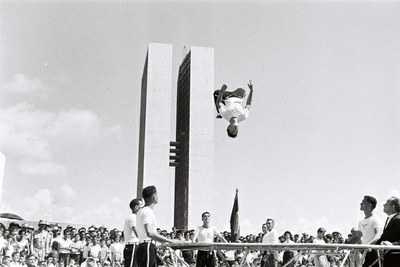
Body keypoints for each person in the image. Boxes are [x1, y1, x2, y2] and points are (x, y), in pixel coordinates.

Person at [136, 186, 177, 267]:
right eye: (157, 195)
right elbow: (149, 233)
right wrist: (170, 241)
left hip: (145, 246)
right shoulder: (148, 211)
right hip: (147, 247)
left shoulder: (141, 211)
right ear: (154, 197)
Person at [353, 195, 383, 267]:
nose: (360, 204)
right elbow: (357, 237)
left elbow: (378, 235)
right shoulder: (361, 222)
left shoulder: (376, 219)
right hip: (365, 252)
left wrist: (368, 245)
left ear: (369, 205)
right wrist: (344, 246)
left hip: (374, 252)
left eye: (363, 202)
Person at [375, 196, 400, 267]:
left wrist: (392, 245)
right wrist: (369, 246)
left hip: (396, 259)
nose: (383, 205)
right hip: (388, 259)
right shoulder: (390, 219)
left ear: (393, 206)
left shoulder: (398, 220)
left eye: (386, 203)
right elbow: (384, 237)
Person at [123, 198, 143, 267]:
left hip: (136, 245)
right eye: (141, 206)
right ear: (136, 207)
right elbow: (137, 232)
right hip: (132, 246)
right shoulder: (133, 217)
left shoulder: (137, 218)